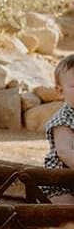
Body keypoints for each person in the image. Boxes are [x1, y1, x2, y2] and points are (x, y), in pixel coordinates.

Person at [39, 54, 74, 204]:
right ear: (60, 91)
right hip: (61, 183)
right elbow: (65, 152)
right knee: (67, 211)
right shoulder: (63, 119)